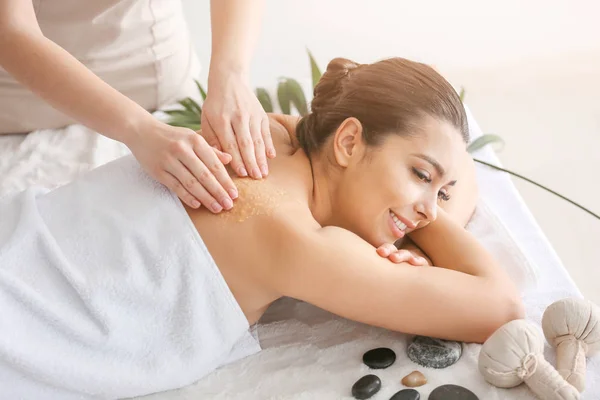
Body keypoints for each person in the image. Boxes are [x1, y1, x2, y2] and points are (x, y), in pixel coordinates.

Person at [0, 57, 525, 398]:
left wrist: (413, 204)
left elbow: (460, 173)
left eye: (442, 193)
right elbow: (500, 308)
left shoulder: (267, 132)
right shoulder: (301, 244)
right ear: (347, 141)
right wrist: (416, 228)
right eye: (420, 174)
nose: (433, 210)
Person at [0, 0, 272, 213]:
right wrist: (138, 129)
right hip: (23, 95)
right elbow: (11, 31)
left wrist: (231, 73)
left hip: (157, 74)